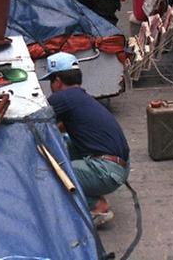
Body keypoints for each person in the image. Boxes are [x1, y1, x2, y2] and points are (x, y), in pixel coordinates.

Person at [42, 52, 129, 227]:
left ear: (57, 81)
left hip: (106, 171)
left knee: (49, 172)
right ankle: (90, 189)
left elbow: (35, 119)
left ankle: (97, 206)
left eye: (51, 82)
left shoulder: (63, 98)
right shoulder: (80, 98)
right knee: (64, 142)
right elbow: (61, 128)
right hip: (120, 166)